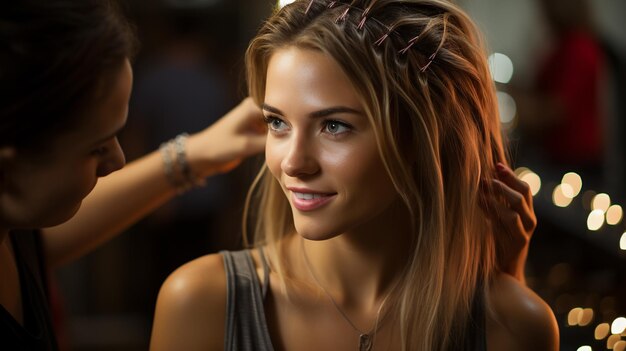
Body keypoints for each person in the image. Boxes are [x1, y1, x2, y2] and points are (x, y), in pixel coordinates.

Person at [150, 0, 558, 350]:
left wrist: (499, 292)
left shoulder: (516, 324)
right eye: (277, 122)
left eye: (334, 126)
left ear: (422, 137)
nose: (293, 163)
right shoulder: (200, 303)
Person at [0, 1, 265, 349]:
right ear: (10, 170)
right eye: (97, 147)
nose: (118, 161)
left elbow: (41, 240)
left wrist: (195, 155)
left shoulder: (15, 238)